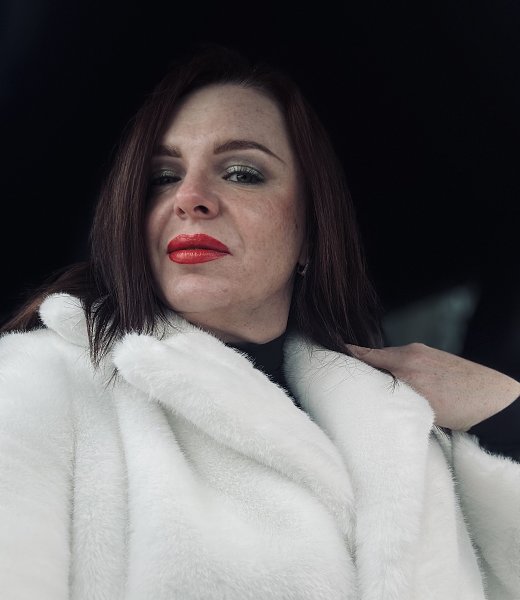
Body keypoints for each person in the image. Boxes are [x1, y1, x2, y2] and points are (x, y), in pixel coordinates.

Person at [1, 43, 519, 600]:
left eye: (242, 173)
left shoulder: (402, 424)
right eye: (162, 177)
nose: (190, 199)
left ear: (311, 232)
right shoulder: (36, 383)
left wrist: (503, 407)